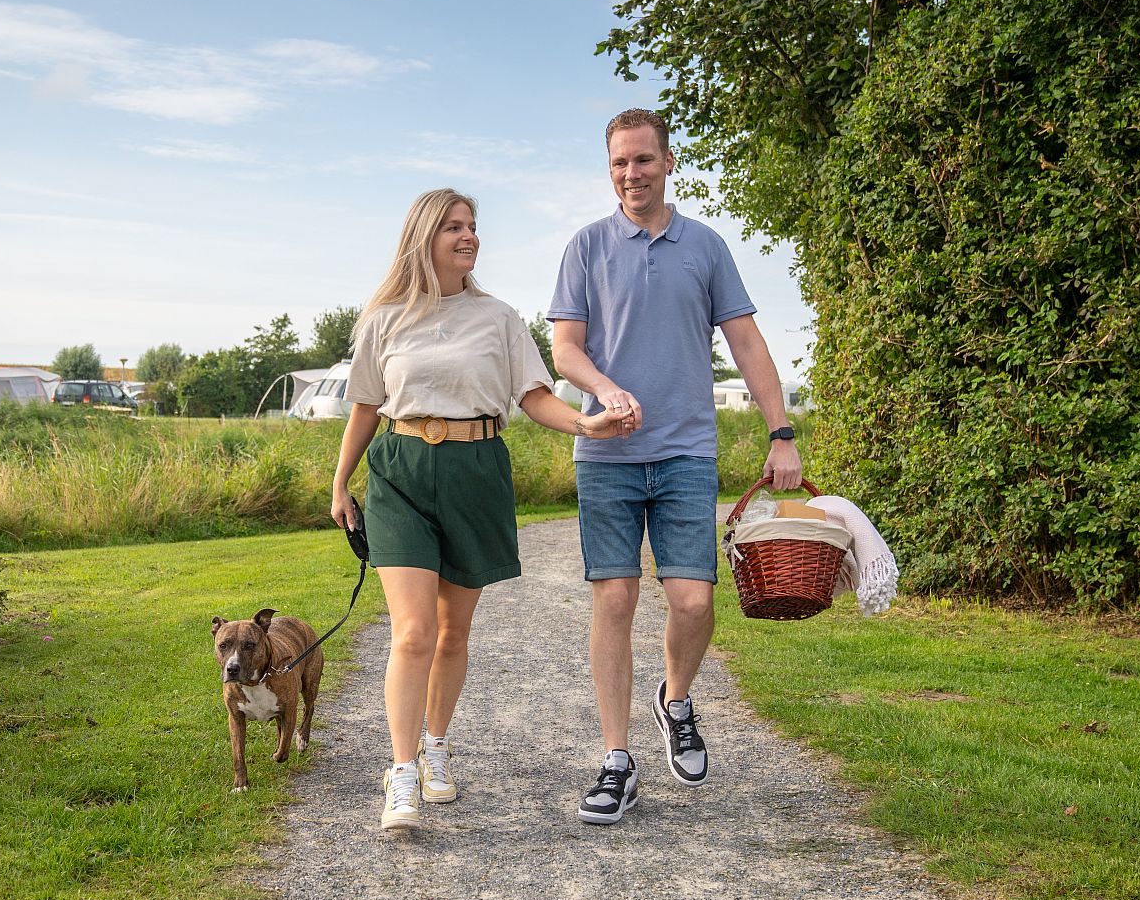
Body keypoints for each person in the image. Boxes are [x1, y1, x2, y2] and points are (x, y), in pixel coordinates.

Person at [331, 188, 637, 831]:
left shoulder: (499, 318)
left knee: (452, 632)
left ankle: (437, 746)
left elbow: (533, 396)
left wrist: (587, 427)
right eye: (452, 227)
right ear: (424, 237)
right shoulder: (385, 318)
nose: (468, 237)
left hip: (477, 471)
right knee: (411, 632)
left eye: (472, 227)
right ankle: (403, 772)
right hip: (401, 473)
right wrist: (340, 483)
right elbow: (365, 406)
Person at [547, 108, 803, 825]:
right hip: (607, 454)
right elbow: (566, 350)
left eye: (643, 161)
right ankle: (616, 762)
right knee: (616, 601)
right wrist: (604, 390)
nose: (631, 175)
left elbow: (748, 346)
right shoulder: (587, 247)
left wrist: (780, 432)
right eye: (619, 164)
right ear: (610, 171)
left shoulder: (707, 247)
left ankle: (676, 700)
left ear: (667, 162)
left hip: (688, 451)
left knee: (693, 601)